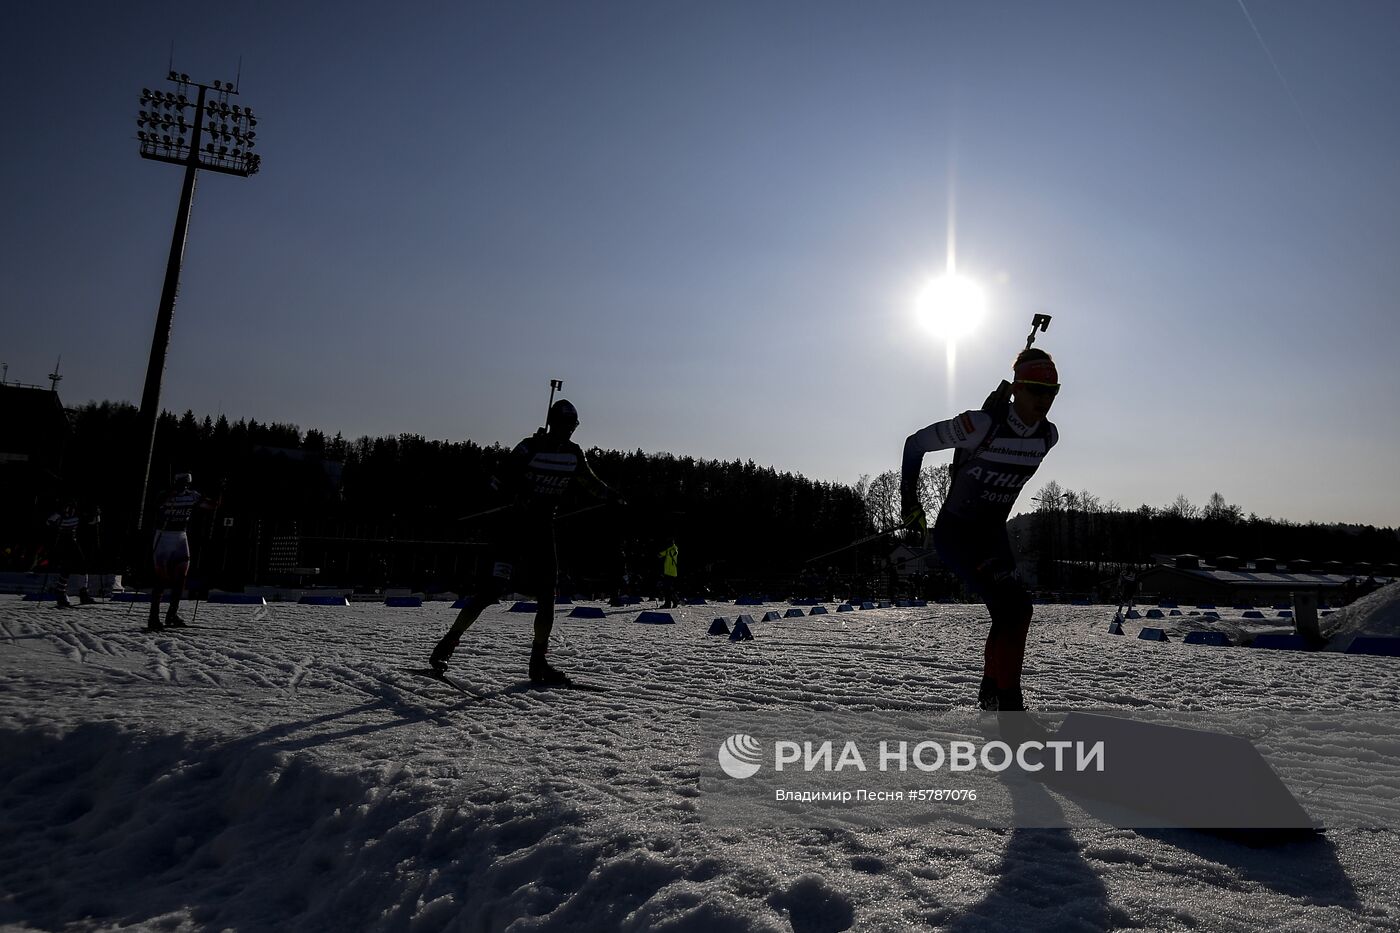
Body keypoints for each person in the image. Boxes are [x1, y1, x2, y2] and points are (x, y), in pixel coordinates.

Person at [900, 348, 1061, 711]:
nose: (1044, 400)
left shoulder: (1048, 437)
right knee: (1014, 610)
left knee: (1012, 613)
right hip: (957, 534)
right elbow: (916, 444)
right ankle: (1007, 707)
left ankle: (992, 695)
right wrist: (910, 503)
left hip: (992, 536)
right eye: (1035, 389)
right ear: (1018, 387)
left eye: (1052, 392)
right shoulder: (980, 426)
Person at [430, 399, 622, 685]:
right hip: (513, 529)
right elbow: (497, 482)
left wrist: (613, 496)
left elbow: (591, 483)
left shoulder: (573, 454)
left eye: (572, 427)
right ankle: (446, 646)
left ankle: (538, 662)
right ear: (553, 424)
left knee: (548, 596)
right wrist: (515, 494)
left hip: (542, 530)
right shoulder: (529, 447)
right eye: (564, 426)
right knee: (490, 591)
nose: (568, 432)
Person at [147, 472, 218, 631]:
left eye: (186, 484)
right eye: (181, 483)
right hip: (164, 536)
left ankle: (172, 614)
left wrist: (217, 494)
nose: (184, 487)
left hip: (181, 536)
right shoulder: (166, 495)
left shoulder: (191, 495)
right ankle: (153, 617)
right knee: (161, 579)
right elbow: (155, 504)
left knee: (181, 578)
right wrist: (169, 495)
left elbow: (210, 505)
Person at [44, 500, 97, 607]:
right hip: (63, 541)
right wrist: (56, 523)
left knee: (81, 566)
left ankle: (81, 593)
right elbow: (48, 522)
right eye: (68, 507)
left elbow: (91, 521)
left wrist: (97, 515)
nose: (70, 510)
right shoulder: (60, 513)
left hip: (72, 541)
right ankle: (61, 593)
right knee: (68, 567)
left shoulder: (78, 513)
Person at [658, 538, 679, 609]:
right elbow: (661, 554)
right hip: (670, 572)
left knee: (667, 589)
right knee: (668, 589)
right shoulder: (672, 549)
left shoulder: (672, 549)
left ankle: (669, 603)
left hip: (670, 572)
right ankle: (674, 601)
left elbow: (661, 554)